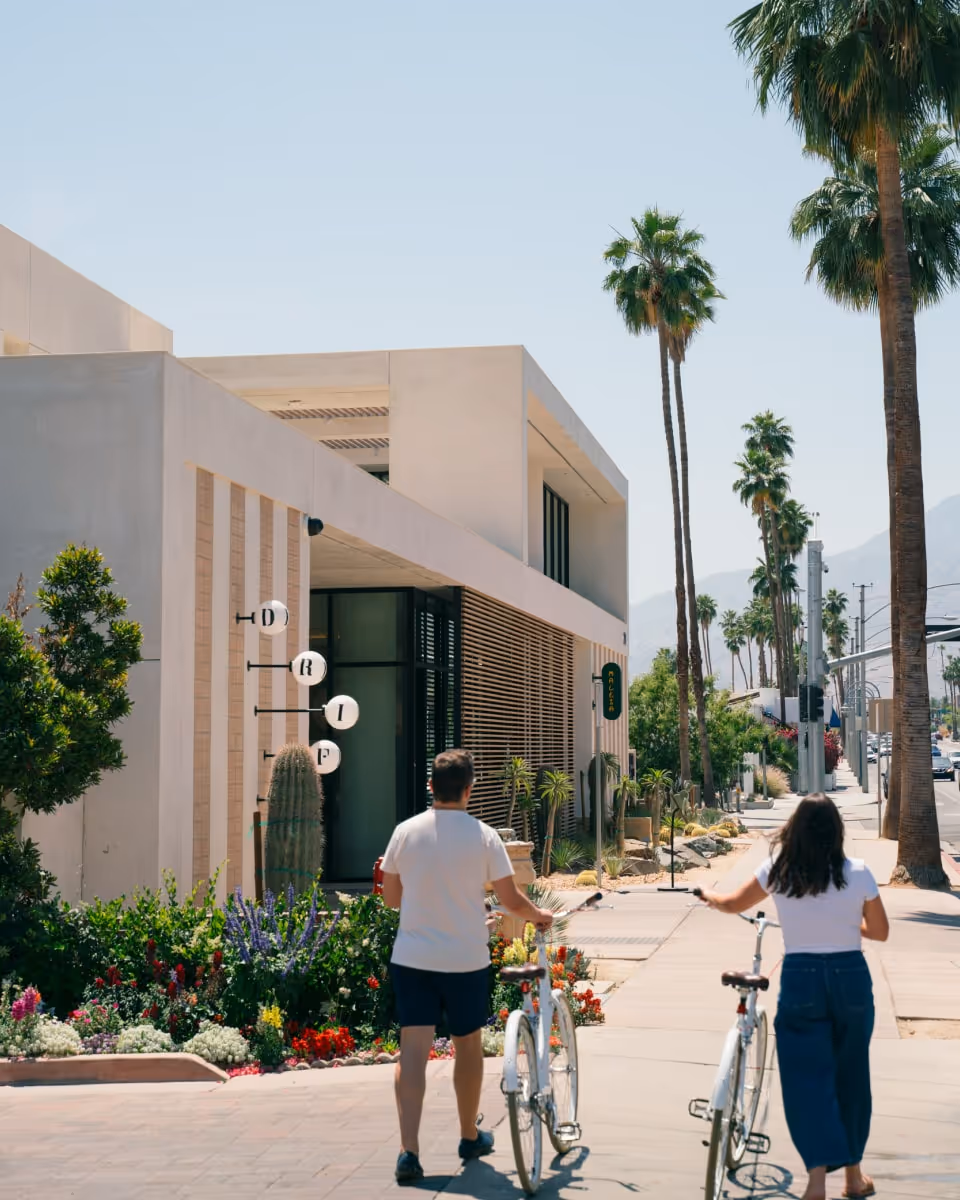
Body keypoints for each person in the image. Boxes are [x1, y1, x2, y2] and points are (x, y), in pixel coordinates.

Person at [700, 794, 889, 1200]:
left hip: (802, 979)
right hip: (850, 979)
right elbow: (880, 931)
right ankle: (853, 1178)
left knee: (807, 1081)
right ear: (837, 832)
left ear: (795, 830)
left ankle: (816, 1182)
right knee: (851, 1076)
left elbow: (732, 903)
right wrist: (843, 923)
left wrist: (709, 895)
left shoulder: (779, 870)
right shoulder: (858, 873)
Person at [380, 748, 555, 1185]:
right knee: (468, 1048)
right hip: (465, 960)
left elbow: (391, 898)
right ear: (469, 790)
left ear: (431, 788)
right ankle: (467, 1134)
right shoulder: (484, 836)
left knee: (413, 1054)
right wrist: (537, 915)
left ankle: (409, 1152)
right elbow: (511, 899)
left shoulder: (404, 833)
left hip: (414, 959)